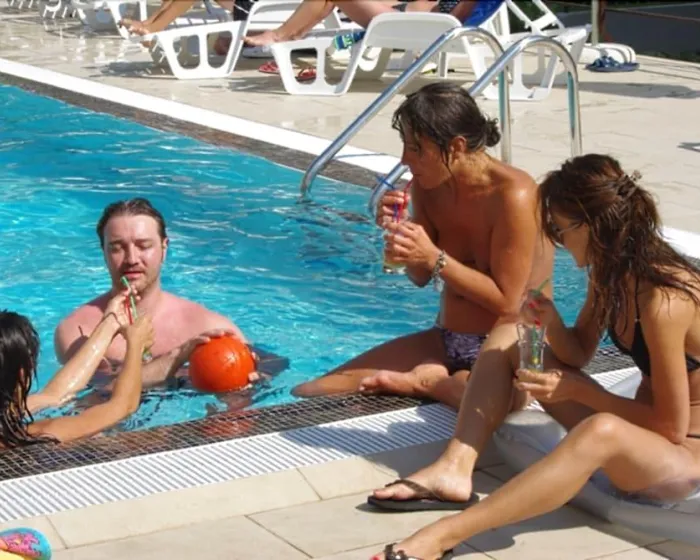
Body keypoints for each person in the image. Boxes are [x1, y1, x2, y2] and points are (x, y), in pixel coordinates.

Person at [370, 154, 700, 560]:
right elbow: (578, 352)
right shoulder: (611, 272)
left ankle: (443, 535)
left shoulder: (665, 300)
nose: (558, 242)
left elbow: (669, 427)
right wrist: (550, 321)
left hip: (684, 456)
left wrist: (579, 391)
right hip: (644, 435)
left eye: (560, 230)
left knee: (601, 430)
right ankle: (454, 469)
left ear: (591, 225)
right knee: (511, 332)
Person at [292, 82, 554, 409]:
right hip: (447, 338)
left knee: (494, 402)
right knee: (311, 392)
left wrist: (434, 256)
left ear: (456, 147)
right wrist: (404, 238)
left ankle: (432, 383)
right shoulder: (429, 185)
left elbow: (507, 302)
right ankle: (446, 380)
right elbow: (419, 276)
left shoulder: (514, 195)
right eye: (405, 145)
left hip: (515, 345)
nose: (405, 159)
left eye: (416, 149)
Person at [39, 198, 256, 411]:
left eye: (144, 246)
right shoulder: (77, 332)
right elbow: (96, 402)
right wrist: (175, 361)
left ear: (164, 248)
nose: (132, 259)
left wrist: (245, 381)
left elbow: (263, 376)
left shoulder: (208, 327)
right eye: (117, 248)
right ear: (103, 252)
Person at [2, 290, 154, 448]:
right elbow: (123, 406)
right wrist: (136, 344)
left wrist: (110, 324)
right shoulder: (37, 433)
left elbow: (54, 395)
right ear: (22, 373)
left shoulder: (7, 412)